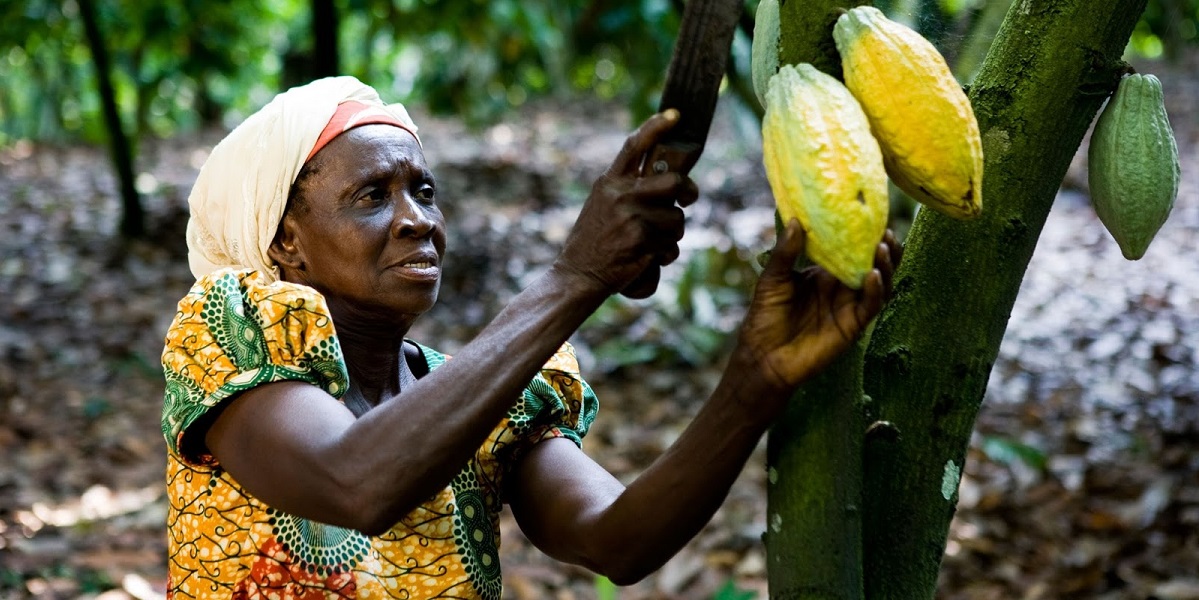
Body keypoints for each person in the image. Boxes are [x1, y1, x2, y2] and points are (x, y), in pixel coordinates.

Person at [161, 76, 900, 600]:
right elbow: (352, 482)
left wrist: (754, 381)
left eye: (423, 190)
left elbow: (616, 541)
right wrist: (576, 275)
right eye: (371, 196)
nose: (419, 219)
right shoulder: (229, 331)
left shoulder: (486, 398)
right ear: (284, 239)